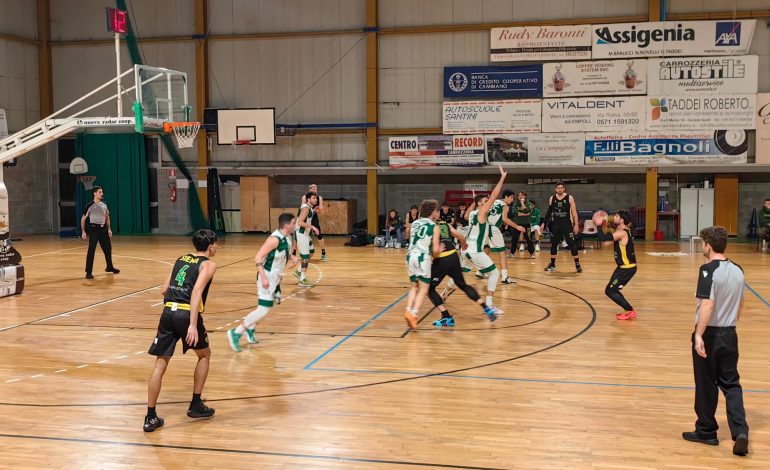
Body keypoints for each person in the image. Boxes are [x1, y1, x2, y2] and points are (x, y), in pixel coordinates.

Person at [682, 226, 749, 457]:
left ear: (708, 245)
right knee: (731, 384)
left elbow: (707, 305)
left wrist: (699, 335)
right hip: (730, 334)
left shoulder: (707, 270)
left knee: (706, 383)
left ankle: (706, 431)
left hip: (710, 334)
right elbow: (740, 305)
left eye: (703, 243)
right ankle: (740, 432)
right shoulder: (738, 270)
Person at [144, 229, 218, 432]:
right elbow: (196, 292)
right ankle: (195, 404)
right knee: (204, 355)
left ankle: (150, 417)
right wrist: (192, 324)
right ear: (210, 245)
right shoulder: (209, 264)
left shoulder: (180, 259)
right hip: (186, 315)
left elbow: (163, 289)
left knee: (160, 364)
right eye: (216, 244)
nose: (216, 247)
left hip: (167, 312)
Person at [228, 213, 297, 352]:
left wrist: (292, 256)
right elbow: (258, 257)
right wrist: (264, 278)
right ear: (287, 225)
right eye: (294, 223)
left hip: (276, 278)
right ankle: (236, 332)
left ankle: (250, 328)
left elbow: (282, 252)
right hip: (267, 277)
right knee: (263, 309)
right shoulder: (274, 239)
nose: (296, 225)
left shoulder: (288, 237)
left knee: (269, 306)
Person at [427, 215, 498, 327]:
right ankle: (486, 308)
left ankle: (446, 317)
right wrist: (464, 245)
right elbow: (461, 237)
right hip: (453, 256)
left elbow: (433, 249)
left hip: (442, 258)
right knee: (463, 285)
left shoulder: (428, 226)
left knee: (429, 288)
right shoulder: (445, 224)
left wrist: (432, 256)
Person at [461, 165, 509, 312]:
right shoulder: (482, 213)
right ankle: (489, 304)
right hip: (475, 251)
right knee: (494, 273)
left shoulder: (473, 213)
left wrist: (475, 201)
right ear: (482, 204)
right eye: (486, 201)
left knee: (460, 274)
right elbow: (494, 195)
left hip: (466, 251)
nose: (490, 202)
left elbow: (465, 216)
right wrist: (502, 178)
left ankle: (444, 294)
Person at [467, 188, 524, 284]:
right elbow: (505, 219)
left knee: (486, 249)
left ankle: (480, 271)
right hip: (493, 229)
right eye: (511, 198)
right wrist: (517, 226)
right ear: (505, 197)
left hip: (484, 227)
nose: (511, 200)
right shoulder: (505, 206)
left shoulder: (492, 201)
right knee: (502, 252)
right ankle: (505, 277)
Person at [404, 199, 443, 330]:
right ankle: (414, 314)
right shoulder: (434, 226)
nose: (439, 213)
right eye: (438, 211)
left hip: (410, 256)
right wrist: (439, 251)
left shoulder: (415, 223)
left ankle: (408, 310)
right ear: (433, 212)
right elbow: (436, 250)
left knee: (415, 286)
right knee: (424, 289)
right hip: (422, 257)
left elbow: (408, 235)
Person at [602, 210, 637, 320]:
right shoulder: (622, 229)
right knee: (612, 289)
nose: (614, 217)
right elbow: (607, 242)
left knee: (610, 290)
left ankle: (630, 310)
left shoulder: (622, 232)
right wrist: (603, 224)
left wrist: (598, 225)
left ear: (621, 220)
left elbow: (605, 239)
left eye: (616, 216)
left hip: (626, 269)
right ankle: (628, 310)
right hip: (622, 268)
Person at [540, 182, 581, 273]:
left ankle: (577, 264)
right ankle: (552, 264)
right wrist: (543, 223)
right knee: (554, 244)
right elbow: (548, 212)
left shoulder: (569, 198)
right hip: (556, 224)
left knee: (571, 243)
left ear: (564, 189)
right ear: (555, 189)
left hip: (566, 223)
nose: (560, 189)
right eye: (558, 188)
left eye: (561, 188)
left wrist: (576, 224)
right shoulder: (552, 198)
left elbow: (574, 212)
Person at [81, 186, 119, 279]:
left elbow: (107, 217)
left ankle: (109, 267)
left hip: (104, 230)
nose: (102, 194)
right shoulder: (89, 205)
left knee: (108, 249)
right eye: (100, 192)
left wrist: (109, 229)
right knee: (91, 250)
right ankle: (88, 272)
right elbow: (83, 219)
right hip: (93, 230)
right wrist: (83, 231)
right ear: (94, 193)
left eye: (102, 192)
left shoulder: (104, 205)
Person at [294, 192, 319, 286]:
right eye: (314, 198)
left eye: (316, 198)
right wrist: (313, 227)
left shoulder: (309, 208)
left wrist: (314, 211)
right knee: (305, 258)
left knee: (311, 252)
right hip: (301, 234)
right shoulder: (305, 208)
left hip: (305, 234)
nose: (315, 199)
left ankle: (298, 271)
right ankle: (302, 280)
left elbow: (307, 218)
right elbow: (300, 222)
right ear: (308, 199)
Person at [302, 184, 327, 261]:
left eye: (316, 189)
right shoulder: (304, 197)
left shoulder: (319, 198)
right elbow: (303, 208)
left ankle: (324, 253)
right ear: (309, 190)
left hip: (314, 217)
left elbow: (321, 208)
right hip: (306, 217)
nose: (315, 190)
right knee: (301, 235)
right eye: (313, 189)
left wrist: (321, 208)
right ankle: (294, 253)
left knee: (319, 234)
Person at [511, 191, 535, 258]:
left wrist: (522, 204)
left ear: (525, 196)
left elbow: (528, 211)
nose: (520, 196)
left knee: (529, 238)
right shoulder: (515, 204)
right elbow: (514, 213)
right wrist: (524, 214)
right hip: (517, 224)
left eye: (522, 195)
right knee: (514, 239)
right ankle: (512, 253)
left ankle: (532, 253)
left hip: (526, 224)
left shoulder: (529, 204)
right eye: (519, 195)